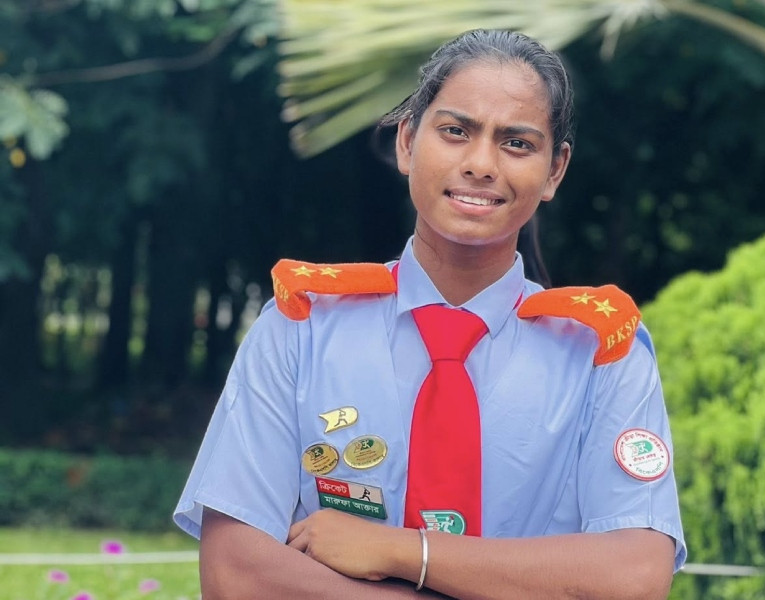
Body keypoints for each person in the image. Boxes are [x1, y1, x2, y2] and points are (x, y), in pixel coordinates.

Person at [174, 29, 686, 599]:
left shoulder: (600, 352)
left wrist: (403, 551)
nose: (481, 164)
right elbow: (235, 574)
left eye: (517, 143)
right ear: (406, 142)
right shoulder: (301, 328)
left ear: (555, 171)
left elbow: (635, 576)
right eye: (455, 132)